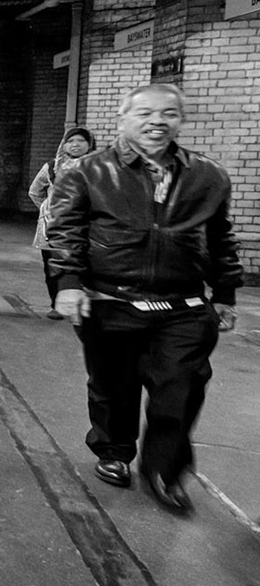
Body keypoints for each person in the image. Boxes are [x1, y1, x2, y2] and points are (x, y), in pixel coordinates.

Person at [46, 84, 240, 513]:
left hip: (184, 306)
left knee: (182, 389)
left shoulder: (208, 176)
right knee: (113, 386)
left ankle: (164, 471)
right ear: (122, 119)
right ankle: (114, 451)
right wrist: (69, 282)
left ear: (180, 120)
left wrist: (225, 292)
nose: (157, 121)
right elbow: (66, 231)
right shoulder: (86, 171)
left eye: (168, 113)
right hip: (110, 300)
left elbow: (221, 238)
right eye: (145, 113)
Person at [27, 125, 93, 317]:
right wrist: (47, 208)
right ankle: (56, 304)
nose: (75, 145)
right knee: (53, 265)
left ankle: (84, 302)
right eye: (71, 141)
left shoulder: (97, 167)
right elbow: (34, 191)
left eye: (81, 141)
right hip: (52, 226)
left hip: (86, 225)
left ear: (89, 144)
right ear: (63, 145)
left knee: (86, 263)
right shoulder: (51, 167)